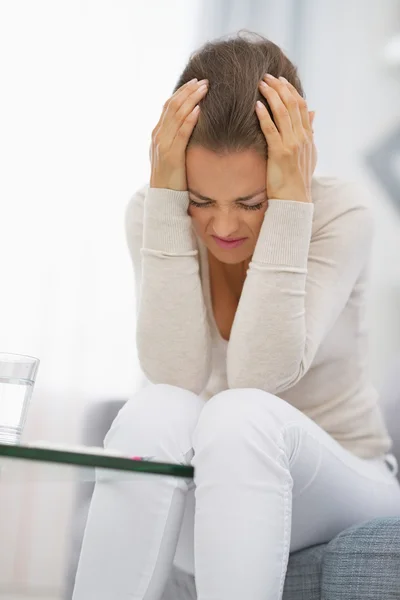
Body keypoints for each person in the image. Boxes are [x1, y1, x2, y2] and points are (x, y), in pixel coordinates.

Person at [72, 31, 400, 600]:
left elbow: (257, 377)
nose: (223, 228)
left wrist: (292, 205)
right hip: (221, 484)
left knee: (240, 414)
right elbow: (174, 374)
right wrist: (168, 204)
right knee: (156, 409)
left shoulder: (338, 213)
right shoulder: (152, 212)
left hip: (342, 479)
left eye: (251, 203)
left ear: (295, 158)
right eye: (202, 201)